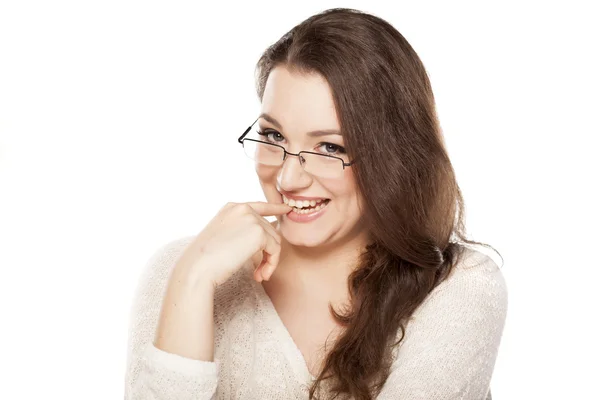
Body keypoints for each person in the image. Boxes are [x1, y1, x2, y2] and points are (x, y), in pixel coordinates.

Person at [124, 7, 507, 400]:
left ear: (394, 157)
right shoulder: (182, 271)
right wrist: (191, 281)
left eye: (329, 146)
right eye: (273, 136)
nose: (288, 178)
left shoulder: (457, 284)